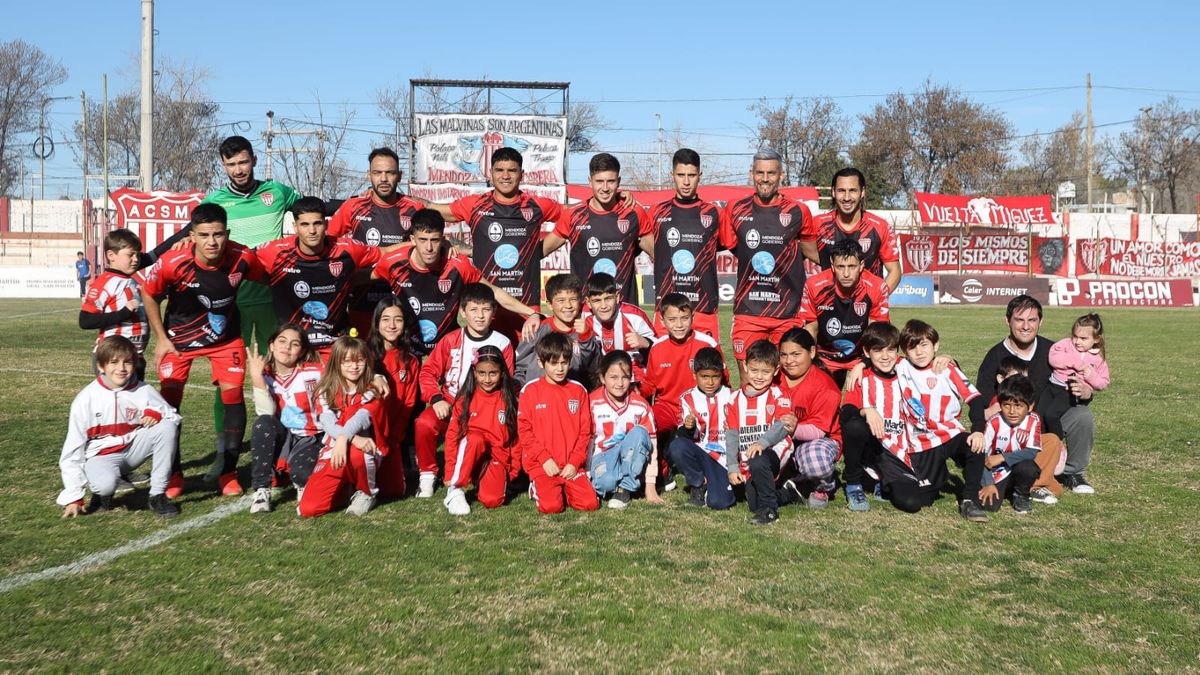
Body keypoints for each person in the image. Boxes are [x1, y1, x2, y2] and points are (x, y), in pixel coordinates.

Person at [139, 203, 266, 498]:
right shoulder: (173, 261)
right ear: (192, 235)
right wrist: (161, 338)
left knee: (233, 397)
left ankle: (229, 474)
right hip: (179, 341)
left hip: (225, 340)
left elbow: (267, 278)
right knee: (169, 405)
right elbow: (149, 293)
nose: (212, 242)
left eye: (218, 234)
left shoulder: (242, 257)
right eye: (205, 235)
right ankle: (173, 474)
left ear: (228, 233)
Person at [842, 323, 989, 521]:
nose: (885, 356)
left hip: (929, 441)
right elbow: (847, 412)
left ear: (897, 352)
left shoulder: (906, 365)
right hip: (897, 447)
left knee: (971, 447)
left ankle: (969, 498)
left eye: (890, 350)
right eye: (878, 351)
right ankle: (857, 483)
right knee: (855, 427)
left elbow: (971, 395)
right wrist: (865, 406)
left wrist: (948, 359)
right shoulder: (870, 375)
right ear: (867, 353)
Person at [422, 147, 564, 338]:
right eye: (499, 170)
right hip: (486, 304)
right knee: (487, 363)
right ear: (491, 173)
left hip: (526, 304)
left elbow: (574, 216)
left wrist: (537, 252)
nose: (505, 176)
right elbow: (433, 210)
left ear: (522, 175)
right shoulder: (475, 205)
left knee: (526, 365)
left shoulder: (537, 205)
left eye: (512, 171)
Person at [970, 295, 1095, 495]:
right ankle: (1024, 474)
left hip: (1048, 422)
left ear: (1041, 321)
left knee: (1082, 415)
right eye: (1019, 320)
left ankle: (1073, 472)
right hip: (1013, 429)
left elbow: (1077, 386)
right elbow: (983, 405)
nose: (1026, 326)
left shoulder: (1055, 351)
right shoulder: (995, 357)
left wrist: (1086, 392)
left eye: (1032, 320)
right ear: (1007, 320)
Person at [374, 209, 538, 356]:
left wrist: (531, 313)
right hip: (406, 348)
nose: (429, 247)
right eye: (423, 240)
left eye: (435, 240)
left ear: (443, 239)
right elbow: (364, 277)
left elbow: (493, 292)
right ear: (412, 239)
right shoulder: (393, 262)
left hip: (447, 349)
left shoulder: (458, 264)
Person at [57, 336, 180, 518]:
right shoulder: (85, 399)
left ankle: (157, 495)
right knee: (105, 484)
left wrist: (156, 412)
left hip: (132, 451)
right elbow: (72, 450)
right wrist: (74, 497)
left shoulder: (142, 389)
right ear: (100, 366)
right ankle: (102, 496)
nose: (121, 368)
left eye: (127, 362)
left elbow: (173, 416)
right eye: (113, 362)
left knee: (167, 427)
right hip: (101, 456)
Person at [719, 148, 813, 381]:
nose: (765, 178)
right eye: (760, 172)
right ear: (751, 174)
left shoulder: (798, 211)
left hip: (787, 311)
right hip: (748, 311)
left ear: (781, 175)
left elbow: (813, 251)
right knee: (749, 379)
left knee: (786, 380)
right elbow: (734, 246)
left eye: (771, 173)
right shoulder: (735, 208)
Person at [415, 283, 515, 498]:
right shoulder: (451, 340)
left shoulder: (503, 343)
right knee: (424, 424)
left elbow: (506, 384)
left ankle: (483, 469)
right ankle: (427, 475)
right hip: (451, 403)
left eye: (486, 309)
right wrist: (436, 398)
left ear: (494, 312)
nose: (480, 316)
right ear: (462, 311)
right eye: (473, 309)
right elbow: (428, 372)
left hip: (483, 408)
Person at [255, 197, 381, 359]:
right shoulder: (275, 252)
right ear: (295, 227)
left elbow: (386, 254)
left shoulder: (347, 249)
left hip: (335, 342)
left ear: (326, 225)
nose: (312, 231)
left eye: (317, 223)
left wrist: (417, 248)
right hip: (292, 344)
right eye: (304, 225)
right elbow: (242, 262)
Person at [327, 147, 426, 334]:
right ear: (368, 175)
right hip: (361, 299)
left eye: (390, 173)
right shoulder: (353, 207)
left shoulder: (414, 208)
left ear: (399, 175)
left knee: (397, 360)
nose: (383, 178)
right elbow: (328, 244)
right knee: (362, 360)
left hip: (402, 301)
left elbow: (429, 243)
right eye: (377, 172)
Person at [298, 335, 389, 517]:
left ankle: (366, 493)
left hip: (367, 448)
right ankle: (345, 488)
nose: (354, 367)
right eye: (346, 361)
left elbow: (362, 418)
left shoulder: (373, 388)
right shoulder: (325, 389)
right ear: (335, 363)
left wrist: (345, 438)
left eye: (359, 361)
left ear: (367, 361)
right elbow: (327, 421)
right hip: (336, 447)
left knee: (360, 452)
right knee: (307, 509)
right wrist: (347, 438)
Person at [543, 153, 651, 304]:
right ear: (590, 181)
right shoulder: (573, 215)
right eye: (599, 181)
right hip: (586, 311)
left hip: (624, 308)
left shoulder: (634, 213)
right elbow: (537, 253)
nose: (605, 188)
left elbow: (660, 255)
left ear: (618, 181)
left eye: (611, 181)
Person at [641, 148, 724, 341]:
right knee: (667, 369)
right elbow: (641, 239)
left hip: (703, 309)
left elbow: (725, 245)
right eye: (680, 175)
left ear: (699, 176)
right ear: (672, 175)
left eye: (691, 175)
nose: (686, 182)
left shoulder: (714, 214)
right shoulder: (656, 212)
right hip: (667, 309)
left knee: (707, 370)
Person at [517, 332, 600, 514]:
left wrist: (574, 462)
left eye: (564, 362)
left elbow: (585, 431)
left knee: (590, 504)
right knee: (551, 507)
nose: (560, 368)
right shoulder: (529, 391)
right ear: (541, 362)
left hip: (570, 464)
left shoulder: (578, 391)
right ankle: (538, 486)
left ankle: (566, 489)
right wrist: (544, 459)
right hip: (543, 465)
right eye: (553, 363)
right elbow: (525, 431)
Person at [246, 323, 324, 514]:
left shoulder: (315, 371)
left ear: (302, 350)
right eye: (281, 341)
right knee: (263, 424)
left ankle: (300, 479)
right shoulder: (264, 375)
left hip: (312, 437)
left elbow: (348, 373)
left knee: (302, 475)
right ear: (271, 345)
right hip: (284, 438)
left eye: (294, 344)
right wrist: (256, 375)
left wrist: (376, 376)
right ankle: (262, 490)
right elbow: (266, 411)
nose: (287, 347)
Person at [799, 238, 890, 388]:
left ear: (861, 265)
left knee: (865, 400)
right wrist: (811, 361)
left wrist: (863, 364)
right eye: (841, 266)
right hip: (825, 355)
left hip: (861, 354)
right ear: (832, 265)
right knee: (821, 399)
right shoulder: (814, 285)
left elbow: (876, 333)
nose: (846, 273)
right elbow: (811, 328)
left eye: (852, 266)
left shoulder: (877, 286)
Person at [723, 340, 796, 526]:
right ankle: (789, 493)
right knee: (753, 503)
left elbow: (782, 425)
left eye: (766, 372)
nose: (759, 376)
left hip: (774, 449)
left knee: (759, 459)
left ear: (776, 370)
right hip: (749, 455)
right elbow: (731, 435)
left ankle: (770, 511)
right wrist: (732, 465)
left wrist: (762, 443)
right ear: (746, 367)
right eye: (754, 370)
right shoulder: (734, 399)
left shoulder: (779, 395)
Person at [442, 346, 521, 516]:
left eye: (493, 373)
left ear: (502, 373)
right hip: (471, 451)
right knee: (474, 438)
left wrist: (514, 467)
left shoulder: (509, 400)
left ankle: (481, 479)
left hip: (496, 458)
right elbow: (452, 437)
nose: (487, 379)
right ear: (474, 372)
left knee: (492, 501)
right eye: (482, 373)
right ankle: (455, 490)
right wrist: (449, 473)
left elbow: (516, 438)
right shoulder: (465, 400)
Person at [639, 293, 722, 453]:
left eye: (684, 318)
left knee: (700, 449)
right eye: (672, 319)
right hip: (667, 407)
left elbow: (723, 383)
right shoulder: (657, 348)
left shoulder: (708, 344)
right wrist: (637, 391)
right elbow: (650, 384)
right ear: (662, 321)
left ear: (693, 317)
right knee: (646, 422)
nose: (679, 325)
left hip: (699, 407)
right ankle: (663, 470)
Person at [802, 167, 901, 291]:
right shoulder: (817, 224)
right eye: (841, 190)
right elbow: (801, 254)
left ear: (862, 192)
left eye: (853, 190)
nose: (847, 197)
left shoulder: (880, 227)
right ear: (833, 192)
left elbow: (895, 271)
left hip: (866, 308)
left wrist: (877, 299)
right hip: (829, 306)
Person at [775, 328, 842, 510]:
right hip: (779, 439)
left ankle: (821, 486)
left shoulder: (825, 386)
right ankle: (793, 478)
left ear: (812, 352)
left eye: (796, 354)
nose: (789, 361)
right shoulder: (773, 376)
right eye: (784, 355)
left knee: (815, 462)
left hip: (817, 441)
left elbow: (819, 431)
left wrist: (791, 429)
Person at [587, 351, 659, 509]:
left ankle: (625, 487)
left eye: (625, 377)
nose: (619, 383)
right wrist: (586, 474)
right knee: (605, 483)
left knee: (640, 432)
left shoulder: (640, 405)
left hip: (630, 455)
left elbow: (651, 444)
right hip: (603, 456)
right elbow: (587, 441)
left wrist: (650, 486)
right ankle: (616, 481)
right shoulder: (591, 403)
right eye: (613, 377)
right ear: (602, 378)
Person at [366, 297, 420, 501]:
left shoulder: (411, 361)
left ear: (405, 323)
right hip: (369, 434)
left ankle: (400, 460)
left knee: (395, 491)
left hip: (394, 435)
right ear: (377, 322)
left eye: (398, 319)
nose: (391, 325)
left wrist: (395, 436)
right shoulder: (364, 355)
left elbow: (408, 403)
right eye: (385, 319)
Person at [668, 347, 735, 510]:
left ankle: (719, 484)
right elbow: (682, 435)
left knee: (720, 503)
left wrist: (734, 428)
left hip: (723, 457)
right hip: (701, 452)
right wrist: (688, 427)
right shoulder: (687, 399)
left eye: (715, 377)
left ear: (721, 375)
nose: (710, 382)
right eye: (705, 377)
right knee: (677, 446)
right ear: (694, 375)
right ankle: (698, 484)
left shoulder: (733, 396)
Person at [79, 229, 149, 380]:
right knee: (114, 403)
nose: (136, 259)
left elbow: (154, 255)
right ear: (111, 256)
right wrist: (124, 313)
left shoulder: (130, 281)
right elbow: (85, 320)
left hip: (134, 357)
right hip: (115, 358)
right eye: (130, 255)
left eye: (138, 254)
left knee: (131, 403)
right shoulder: (106, 282)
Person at [514, 273, 602, 387]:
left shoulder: (586, 331)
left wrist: (585, 338)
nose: (568, 305)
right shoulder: (535, 330)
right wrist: (521, 391)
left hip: (572, 398)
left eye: (573, 299)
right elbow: (519, 367)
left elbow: (593, 368)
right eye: (561, 300)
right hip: (538, 398)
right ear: (550, 305)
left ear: (580, 302)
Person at [978, 375, 1042, 515]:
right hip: (995, 472)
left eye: (1018, 406)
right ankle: (999, 489)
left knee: (1028, 468)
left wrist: (1002, 457)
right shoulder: (993, 422)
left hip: (1017, 469)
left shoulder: (1034, 421)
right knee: (989, 506)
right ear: (1000, 405)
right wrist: (988, 483)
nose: (1012, 411)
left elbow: (1031, 451)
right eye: (1007, 405)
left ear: (1030, 406)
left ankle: (1021, 494)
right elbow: (981, 454)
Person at [1043, 313, 1110, 443]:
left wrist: (1090, 375)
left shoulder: (1098, 360)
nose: (1077, 341)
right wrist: (1076, 363)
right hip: (1052, 386)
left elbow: (1103, 383)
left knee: (1051, 415)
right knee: (1037, 416)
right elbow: (1053, 358)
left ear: (1096, 339)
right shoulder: (1065, 344)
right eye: (1075, 336)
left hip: (1069, 392)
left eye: (1083, 338)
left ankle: (1057, 445)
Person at [582, 273, 655, 385]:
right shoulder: (583, 318)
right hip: (598, 379)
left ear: (617, 297)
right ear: (588, 302)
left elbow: (661, 349)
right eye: (597, 300)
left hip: (633, 379)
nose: (603, 305)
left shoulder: (634, 316)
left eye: (608, 298)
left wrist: (646, 343)